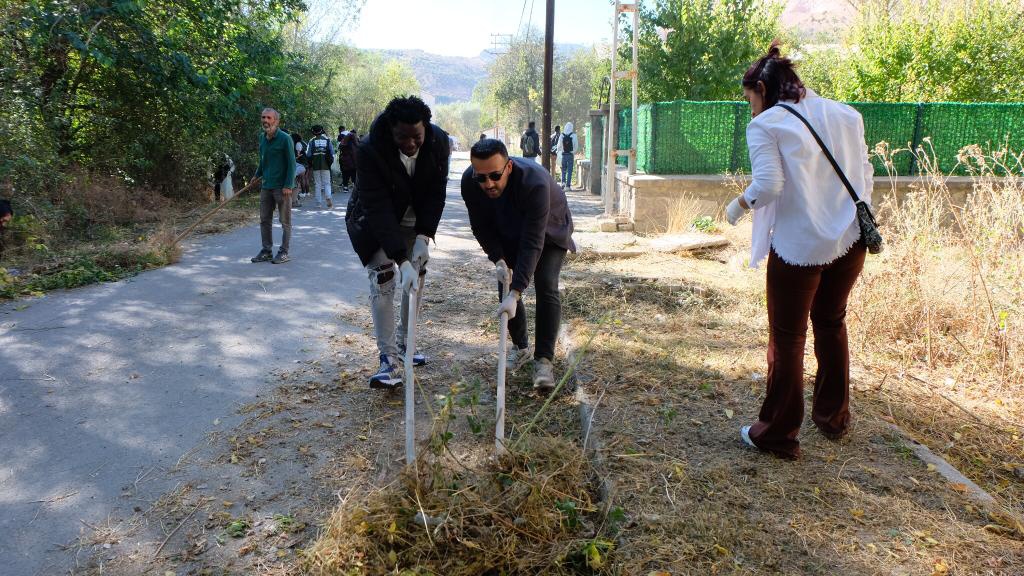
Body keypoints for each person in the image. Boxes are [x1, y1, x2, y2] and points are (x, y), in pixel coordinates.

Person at [724, 43, 873, 460]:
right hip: (850, 239)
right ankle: (834, 419)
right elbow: (865, 176)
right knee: (831, 322)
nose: (749, 108)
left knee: (788, 339)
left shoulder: (767, 124)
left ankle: (776, 433)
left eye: (748, 98)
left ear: (761, 89)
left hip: (799, 246)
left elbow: (769, 186)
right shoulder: (847, 114)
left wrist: (736, 207)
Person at [346, 96, 451, 389]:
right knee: (385, 278)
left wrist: (423, 237)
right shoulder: (369, 149)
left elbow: (435, 194)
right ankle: (388, 360)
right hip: (375, 220)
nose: (410, 143)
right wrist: (399, 259)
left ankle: (408, 343)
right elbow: (376, 207)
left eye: (416, 136)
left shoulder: (438, 142)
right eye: (402, 137)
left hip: (414, 219)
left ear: (426, 129)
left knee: (415, 277)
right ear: (391, 130)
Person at [461, 138, 575, 391]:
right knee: (504, 282)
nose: (488, 183)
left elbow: (533, 242)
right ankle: (521, 347)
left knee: (546, 283)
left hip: (549, 229)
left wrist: (517, 291)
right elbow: (480, 226)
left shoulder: (533, 182)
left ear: (509, 167)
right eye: (481, 178)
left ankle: (544, 360)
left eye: (495, 175)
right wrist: (498, 258)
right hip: (508, 230)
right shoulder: (470, 183)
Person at [251, 107, 296, 265]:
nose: (265, 121)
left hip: (282, 187)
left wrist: (288, 185)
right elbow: (263, 161)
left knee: (285, 221)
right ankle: (266, 251)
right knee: (264, 220)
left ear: (276, 121)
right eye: (263, 117)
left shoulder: (285, 139)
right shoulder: (262, 138)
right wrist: (257, 175)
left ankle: (284, 252)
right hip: (266, 186)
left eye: (269, 118)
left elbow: (292, 164)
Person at [306, 125, 335, 209]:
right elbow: (332, 152)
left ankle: (318, 203)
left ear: (314, 132)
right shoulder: (327, 140)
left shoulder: (311, 141)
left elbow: (308, 154)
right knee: (327, 183)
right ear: (321, 131)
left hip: (315, 165)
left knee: (318, 184)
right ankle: (328, 197)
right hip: (326, 165)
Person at [338, 125, 358, 193]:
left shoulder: (342, 141)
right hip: (353, 160)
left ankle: (345, 188)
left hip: (344, 160)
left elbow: (339, 148)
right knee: (353, 173)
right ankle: (355, 187)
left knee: (345, 174)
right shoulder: (354, 141)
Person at [290, 132, 307, 207]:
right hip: (299, 164)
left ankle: (296, 198)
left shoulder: (293, 144)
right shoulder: (298, 144)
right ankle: (295, 200)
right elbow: (298, 154)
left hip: (297, 163)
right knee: (297, 182)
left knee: (298, 181)